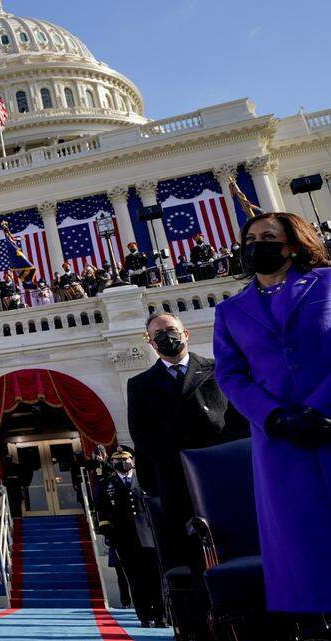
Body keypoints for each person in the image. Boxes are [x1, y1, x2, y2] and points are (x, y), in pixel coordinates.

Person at [212, 211, 331, 627]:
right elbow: (230, 375)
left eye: (267, 237)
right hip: (280, 440)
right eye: (249, 239)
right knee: (301, 541)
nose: (255, 245)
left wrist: (320, 408)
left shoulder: (327, 283)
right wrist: (275, 416)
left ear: (293, 245)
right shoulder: (230, 311)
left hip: (328, 422)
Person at [127, 311, 248, 569]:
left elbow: (239, 422)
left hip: (224, 475)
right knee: (191, 557)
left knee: (238, 548)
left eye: (170, 329)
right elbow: (141, 435)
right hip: (178, 482)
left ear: (185, 333)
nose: (166, 337)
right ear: (150, 343)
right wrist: (179, 462)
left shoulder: (217, 370)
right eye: (157, 334)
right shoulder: (140, 384)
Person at [96, 450, 167, 628]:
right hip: (124, 539)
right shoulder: (106, 485)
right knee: (136, 579)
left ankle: (160, 616)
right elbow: (102, 512)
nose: (123, 463)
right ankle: (145, 616)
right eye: (118, 460)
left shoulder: (144, 480)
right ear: (113, 463)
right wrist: (109, 535)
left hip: (148, 536)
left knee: (155, 577)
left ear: (132, 460)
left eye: (126, 459)